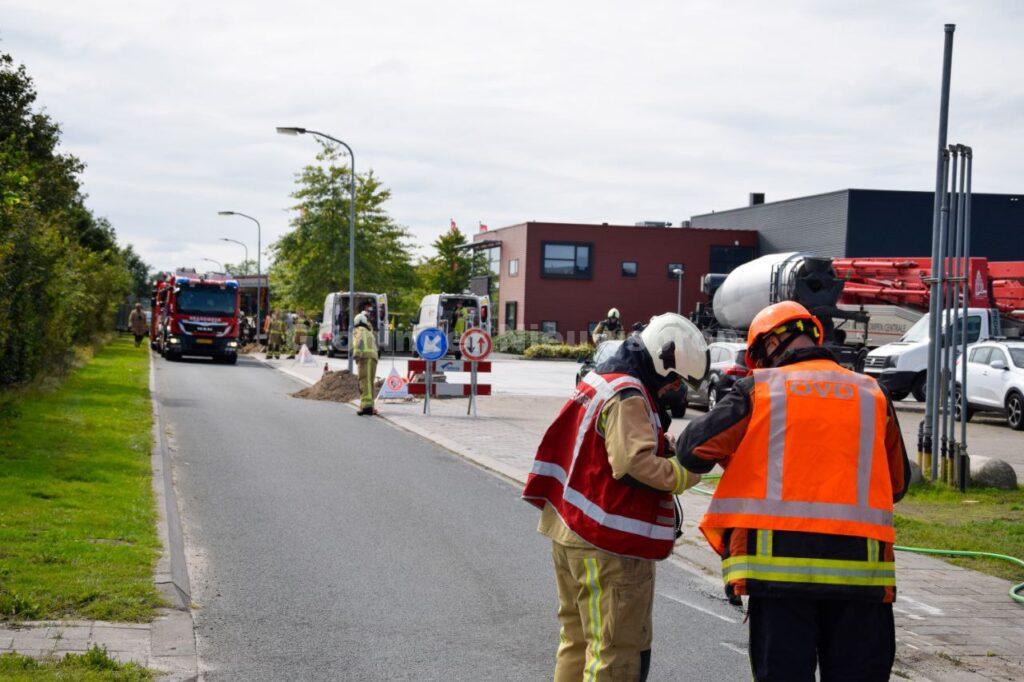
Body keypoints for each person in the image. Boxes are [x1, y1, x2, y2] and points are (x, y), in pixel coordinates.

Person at [675, 301, 910, 682]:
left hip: (779, 579)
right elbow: (897, 485)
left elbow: (692, 450)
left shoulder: (759, 391)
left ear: (770, 345)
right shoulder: (873, 394)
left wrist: (746, 455)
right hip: (862, 580)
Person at [523, 313, 710, 681]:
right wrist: (690, 472)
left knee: (577, 641)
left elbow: (605, 447)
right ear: (661, 362)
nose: (673, 389)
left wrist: (661, 442)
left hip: (570, 531)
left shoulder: (603, 380)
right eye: (673, 379)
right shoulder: (629, 395)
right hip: (608, 544)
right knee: (614, 651)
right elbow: (633, 465)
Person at [352, 302, 379, 416]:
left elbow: (359, 342)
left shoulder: (359, 330)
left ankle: (366, 407)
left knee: (364, 381)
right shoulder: (368, 331)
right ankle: (370, 405)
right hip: (373, 359)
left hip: (364, 358)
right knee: (370, 382)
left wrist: (356, 354)